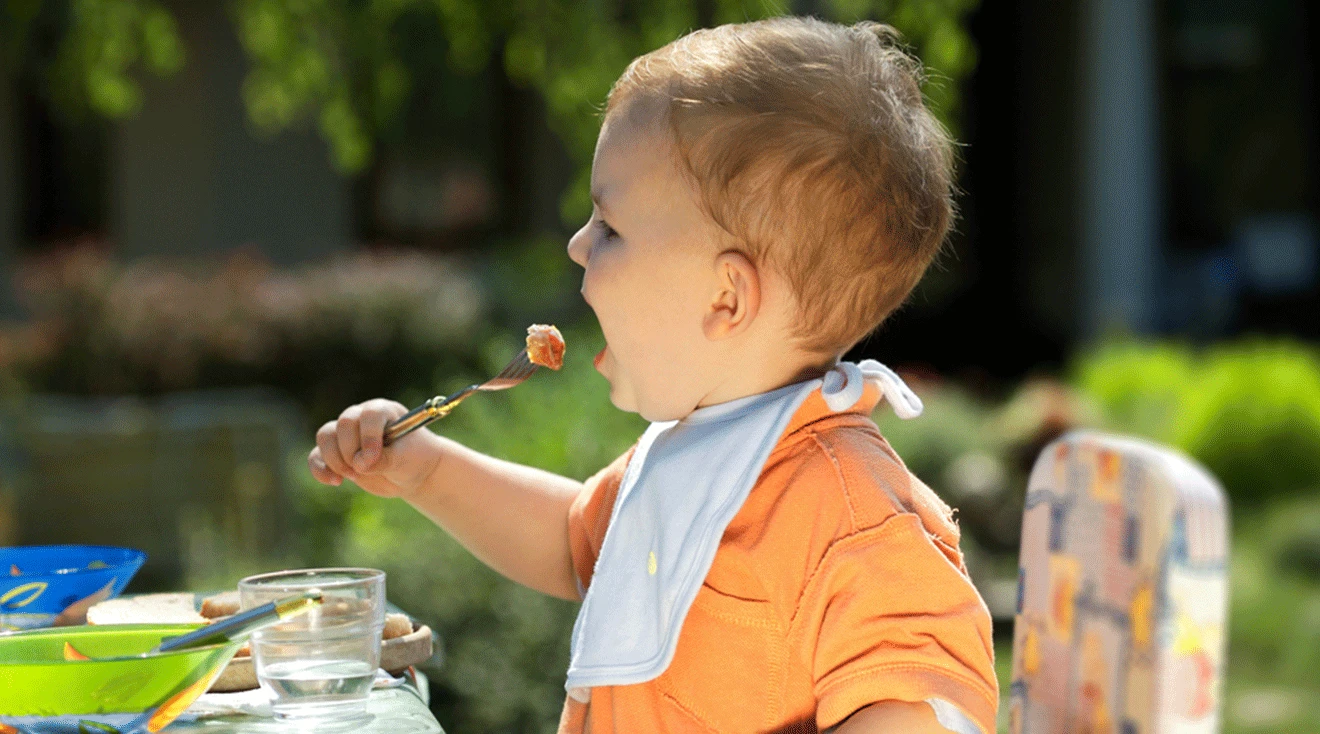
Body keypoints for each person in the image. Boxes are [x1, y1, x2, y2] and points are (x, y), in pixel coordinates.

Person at [309, 16, 997, 733]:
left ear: (725, 299)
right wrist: (424, 471)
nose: (577, 245)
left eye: (609, 228)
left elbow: (922, 703)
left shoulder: (853, 518)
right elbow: (575, 545)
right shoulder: (697, 451)